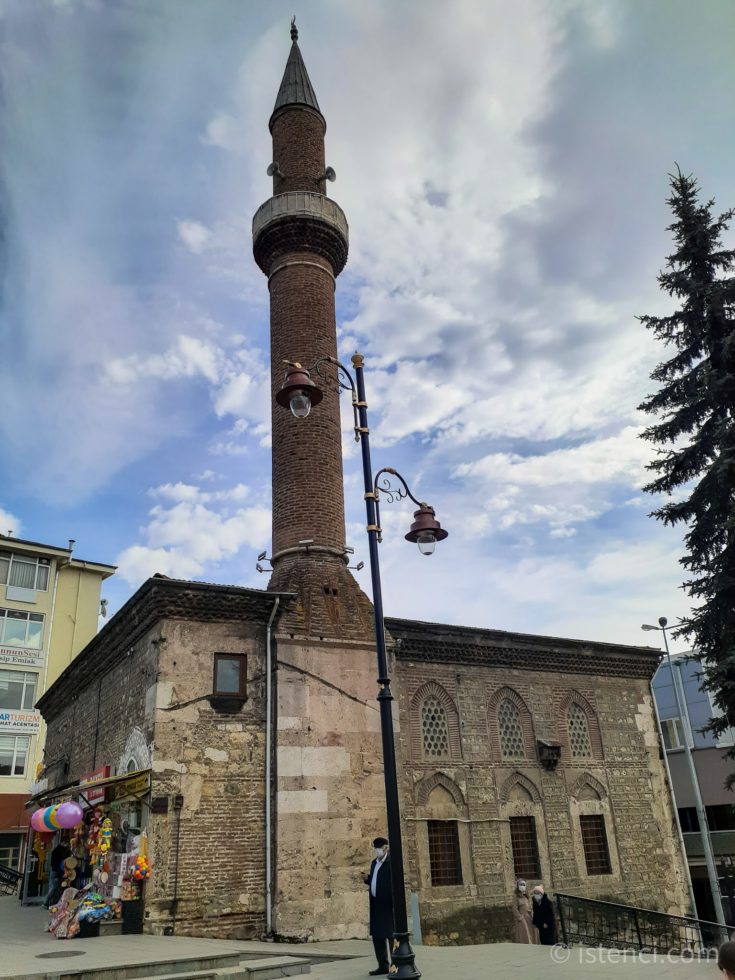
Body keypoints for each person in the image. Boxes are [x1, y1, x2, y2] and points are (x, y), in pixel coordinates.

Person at [364, 836, 394, 976]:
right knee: (377, 936)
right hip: (376, 904)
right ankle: (382, 965)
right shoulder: (374, 863)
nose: (378, 851)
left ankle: (395, 965)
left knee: (391, 935)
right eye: (376, 849)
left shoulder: (390, 863)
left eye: (379, 849)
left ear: (385, 849)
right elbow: (375, 881)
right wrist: (367, 879)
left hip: (387, 905)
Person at [43, 840, 70, 910]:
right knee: (54, 887)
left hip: (58, 871)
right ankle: (46, 902)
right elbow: (57, 863)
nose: (66, 845)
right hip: (56, 871)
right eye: (65, 843)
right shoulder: (58, 852)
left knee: (56, 888)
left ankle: (52, 903)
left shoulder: (62, 851)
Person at [512, 878, 539, 944]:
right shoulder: (516, 896)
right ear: (518, 886)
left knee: (532, 933)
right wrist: (520, 918)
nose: (522, 886)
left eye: (524, 884)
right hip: (522, 918)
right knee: (524, 935)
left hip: (529, 917)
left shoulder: (526, 896)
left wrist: (532, 914)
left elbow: (530, 906)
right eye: (521, 884)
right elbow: (514, 909)